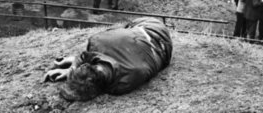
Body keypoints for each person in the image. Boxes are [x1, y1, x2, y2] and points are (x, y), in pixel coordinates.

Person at [43, 17, 172, 101]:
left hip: (155, 36)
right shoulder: (97, 42)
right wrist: (72, 68)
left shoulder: (122, 85)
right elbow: (86, 56)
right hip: (153, 28)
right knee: (120, 32)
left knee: (122, 32)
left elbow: (86, 56)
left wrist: (72, 69)